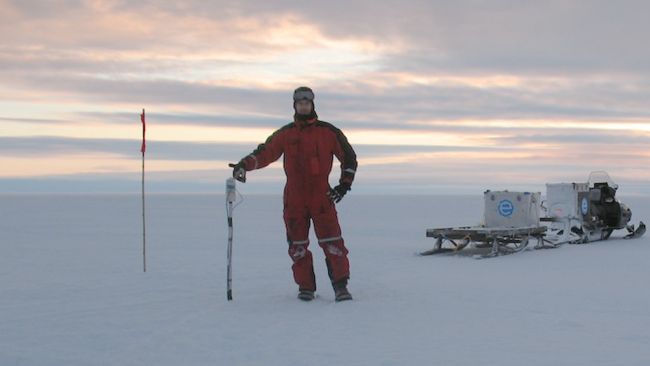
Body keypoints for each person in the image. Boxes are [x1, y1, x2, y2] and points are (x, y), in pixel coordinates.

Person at [229, 86, 358, 302]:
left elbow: (349, 158)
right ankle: (305, 287)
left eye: (307, 102)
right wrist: (244, 165)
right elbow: (265, 152)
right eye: (300, 103)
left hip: (321, 198)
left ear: (312, 105)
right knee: (297, 246)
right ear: (295, 105)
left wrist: (344, 185)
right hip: (294, 198)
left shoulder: (328, 132)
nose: (304, 106)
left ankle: (340, 286)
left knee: (333, 242)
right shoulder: (286, 134)